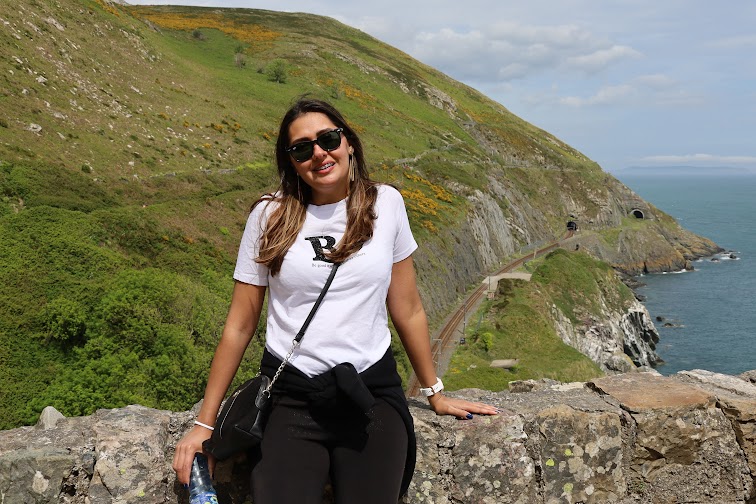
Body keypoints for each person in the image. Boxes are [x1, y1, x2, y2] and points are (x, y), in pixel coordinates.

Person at [172, 97, 497, 503]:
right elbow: (239, 325)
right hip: (293, 397)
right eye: (302, 148)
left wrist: (436, 392)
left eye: (328, 139)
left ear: (349, 143)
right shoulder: (269, 216)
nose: (319, 154)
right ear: (291, 161)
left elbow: (408, 308)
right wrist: (204, 425)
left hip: (370, 396)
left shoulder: (386, 203)